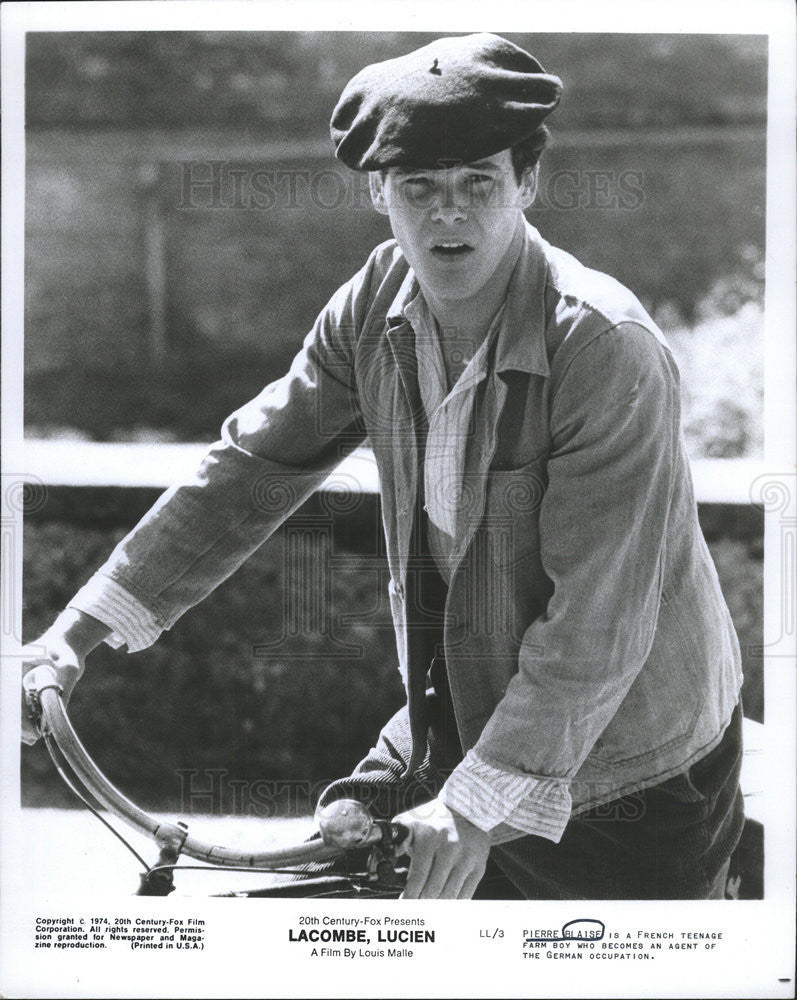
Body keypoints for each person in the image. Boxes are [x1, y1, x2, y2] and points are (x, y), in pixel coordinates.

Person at [21, 33, 745, 900]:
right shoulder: (372, 303)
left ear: (527, 183)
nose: (449, 214)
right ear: (378, 192)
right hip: (468, 715)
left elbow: (597, 620)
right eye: (419, 188)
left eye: (478, 182)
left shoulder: (602, 347)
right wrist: (73, 634)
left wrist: (473, 807)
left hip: (630, 767)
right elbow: (250, 467)